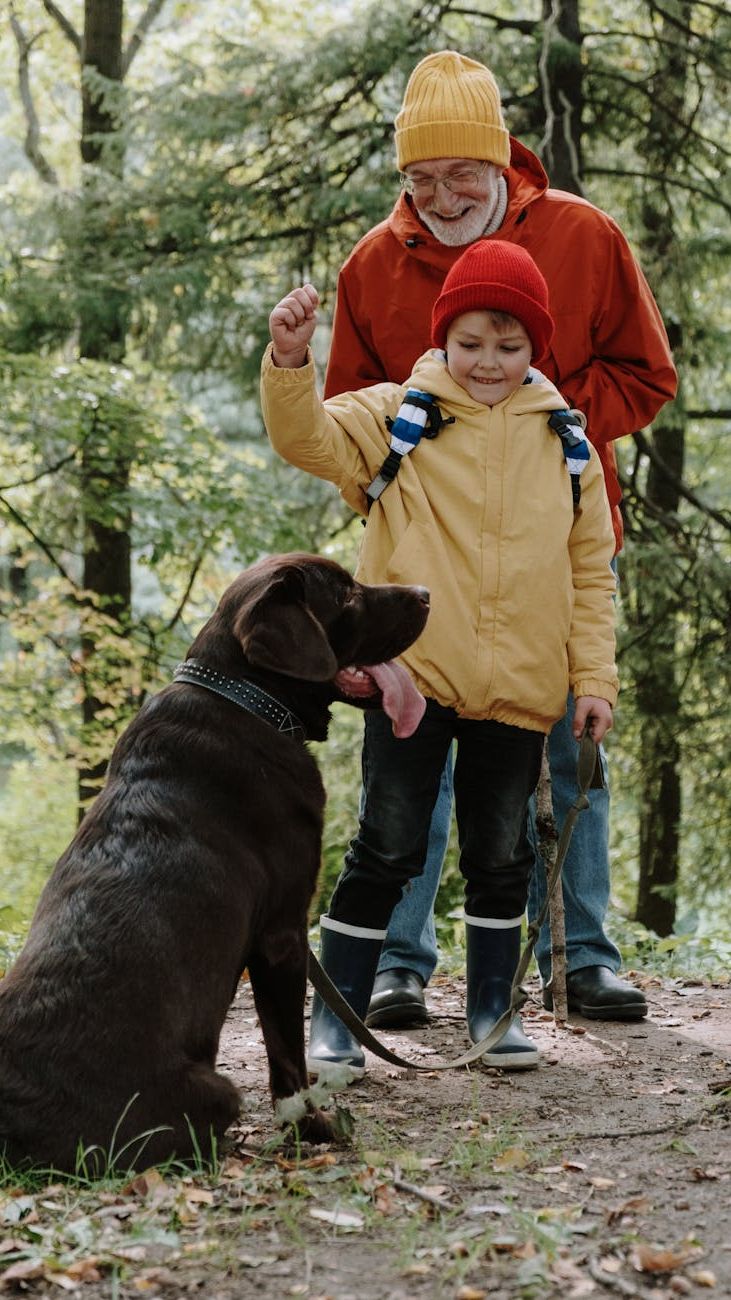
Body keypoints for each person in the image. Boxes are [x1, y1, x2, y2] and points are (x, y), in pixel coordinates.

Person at [322, 49, 677, 1028]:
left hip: (552, 542)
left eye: (459, 174)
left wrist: (539, 431)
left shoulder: (582, 235)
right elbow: (341, 415)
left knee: (563, 742)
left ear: (499, 161)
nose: (439, 195)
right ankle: (398, 962)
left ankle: (581, 954)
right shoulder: (370, 264)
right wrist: (410, 480)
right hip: (419, 567)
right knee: (409, 752)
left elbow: (645, 376)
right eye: (418, 177)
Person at [262, 237, 618, 1077]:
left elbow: (589, 573)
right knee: (386, 847)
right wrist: (288, 360)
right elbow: (306, 438)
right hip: (410, 684)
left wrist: (592, 679)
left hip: (522, 690)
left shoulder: (568, 446)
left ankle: (494, 1012)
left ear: (536, 347)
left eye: (508, 346)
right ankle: (338, 1017)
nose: (487, 362)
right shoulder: (398, 414)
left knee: (502, 857)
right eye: (469, 344)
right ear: (442, 339)